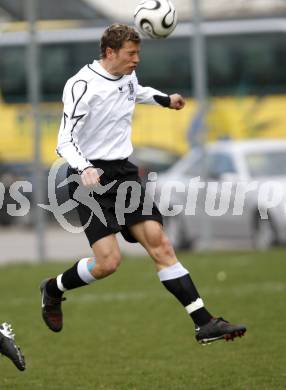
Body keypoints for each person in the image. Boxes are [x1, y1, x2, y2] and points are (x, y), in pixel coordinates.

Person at [40, 24, 246, 344]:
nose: (136, 60)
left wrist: (166, 100)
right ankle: (53, 289)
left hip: (124, 174)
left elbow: (136, 91)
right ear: (110, 53)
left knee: (160, 243)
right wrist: (85, 168)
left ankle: (204, 323)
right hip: (90, 180)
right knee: (108, 263)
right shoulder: (82, 85)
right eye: (130, 54)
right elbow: (64, 141)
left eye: (138, 53)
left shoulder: (127, 75)